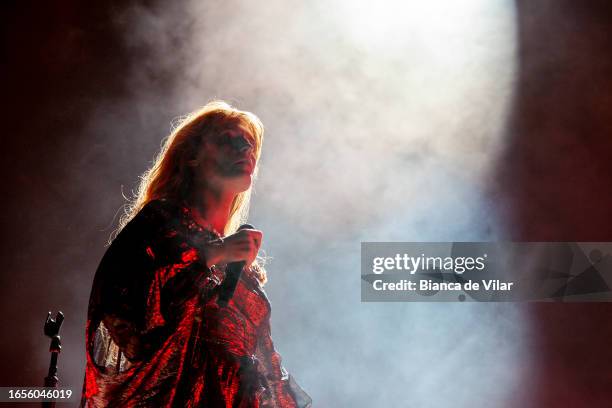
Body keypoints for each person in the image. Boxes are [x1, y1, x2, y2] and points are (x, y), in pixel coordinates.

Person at [80, 101, 312, 407]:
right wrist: (212, 253)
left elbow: (265, 368)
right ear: (192, 156)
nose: (245, 148)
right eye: (228, 138)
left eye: (250, 143)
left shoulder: (242, 270)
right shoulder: (159, 222)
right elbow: (120, 309)